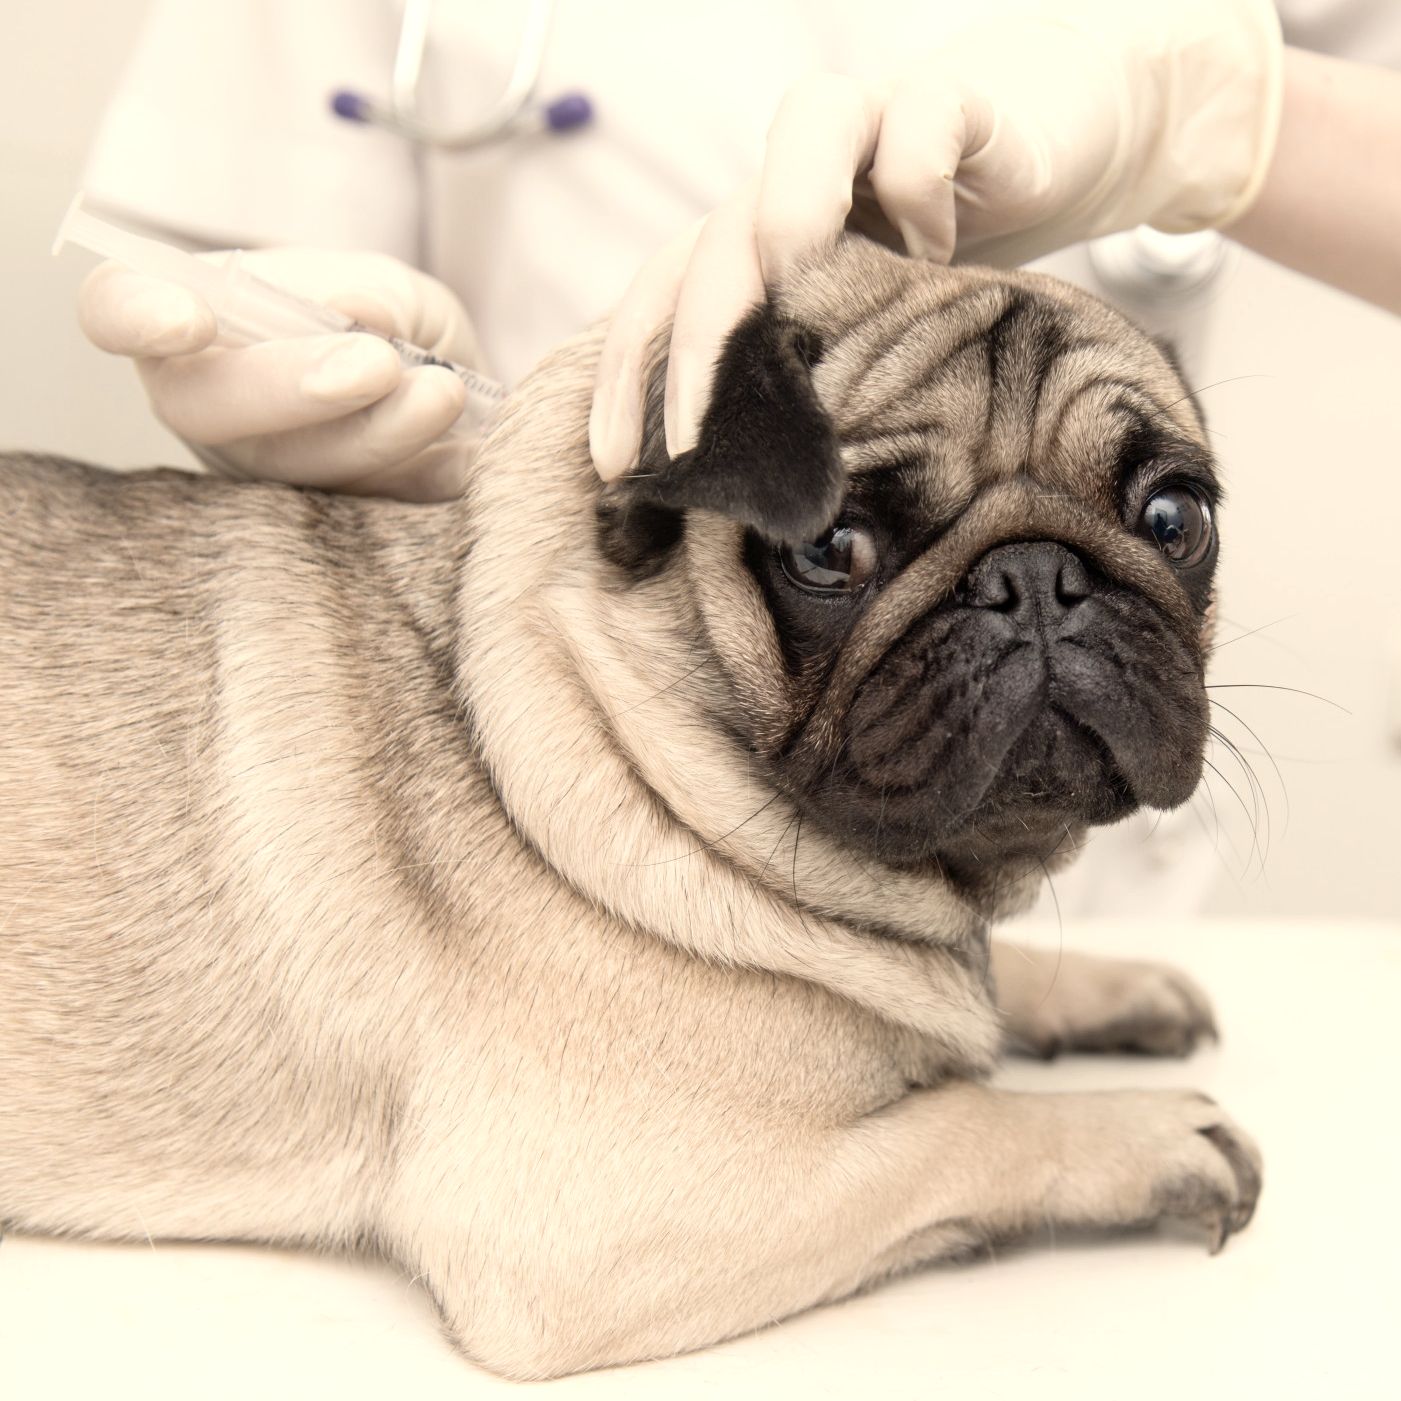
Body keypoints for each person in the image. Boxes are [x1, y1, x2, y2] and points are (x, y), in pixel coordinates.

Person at [76, 0, 1401, 502]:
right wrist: (334, 404)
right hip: (572, 780)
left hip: (1071, 882)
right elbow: (260, 270)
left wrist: (1210, 108)